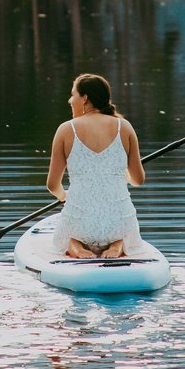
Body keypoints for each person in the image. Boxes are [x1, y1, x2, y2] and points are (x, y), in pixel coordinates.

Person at [45, 72, 145, 259]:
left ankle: (77, 248)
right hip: (119, 221)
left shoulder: (66, 129)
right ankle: (117, 245)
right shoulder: (124, 127)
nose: (70, 100)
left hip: (80, 222)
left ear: (85, 99)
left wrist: (63, 196)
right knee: (119, 233)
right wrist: (125, 175)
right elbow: (138, 180)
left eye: (73, 94)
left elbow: (52, 185)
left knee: (69, 236)